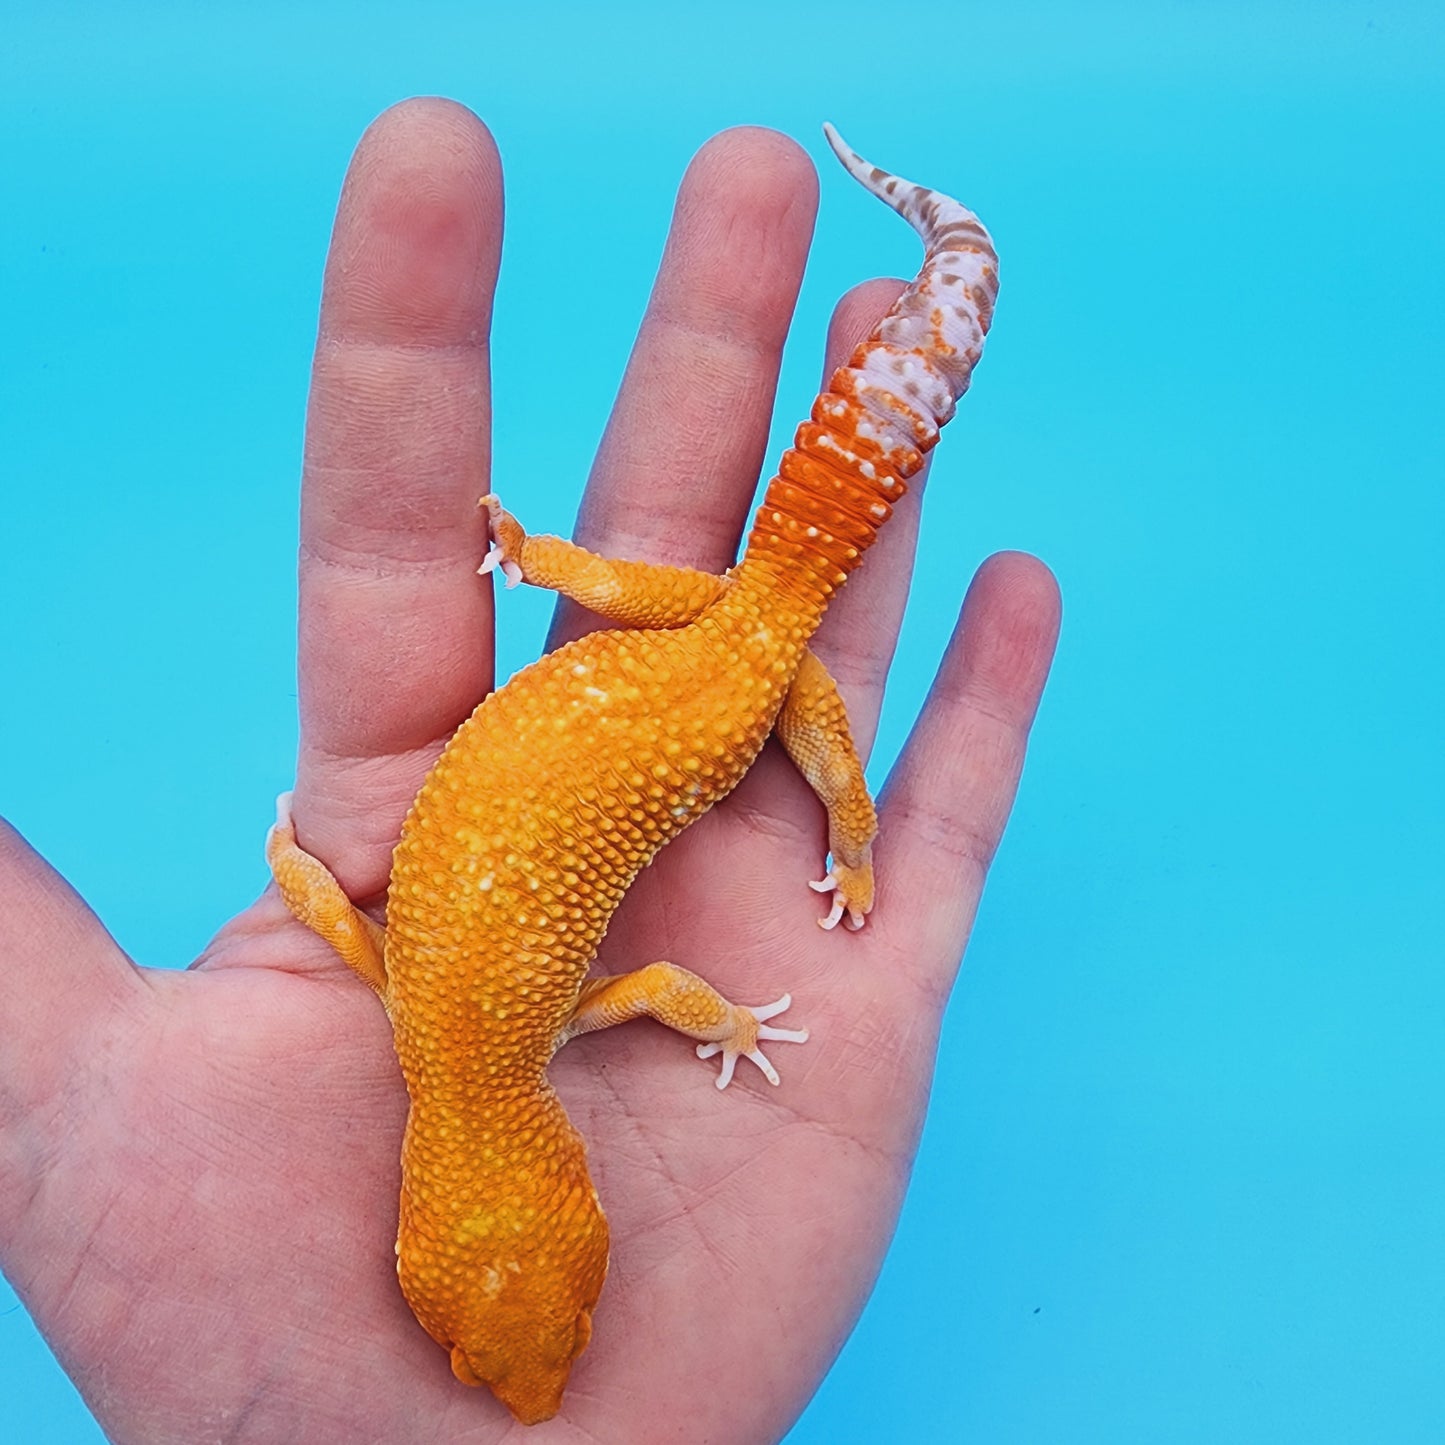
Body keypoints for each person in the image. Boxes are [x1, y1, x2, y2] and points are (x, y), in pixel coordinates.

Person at [0, 99, 1060, 1442]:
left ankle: (947, 254)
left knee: (804, 684)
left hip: (734, 653)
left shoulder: (514, 1037)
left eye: (496, 1354)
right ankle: (942, 258)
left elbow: (662, 989)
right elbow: (342, 917)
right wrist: (290, 858)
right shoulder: (427, 1027)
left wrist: (795, 919)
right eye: (569, 1333)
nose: (540, 1394)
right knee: (786, 651)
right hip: (725, 651)